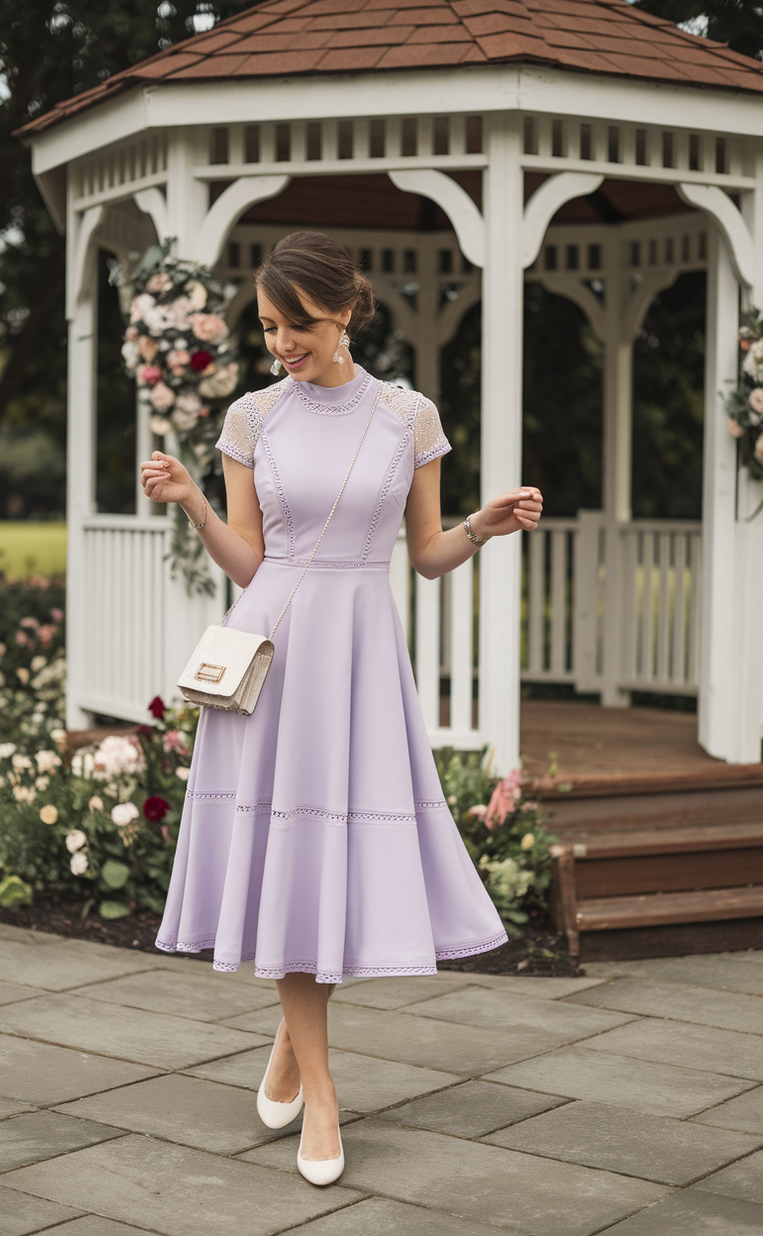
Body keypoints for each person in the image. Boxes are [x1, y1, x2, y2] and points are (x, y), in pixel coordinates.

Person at [140, 231, 543, 1187]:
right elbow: (252, 564)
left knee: (337, 864)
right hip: (272, 659)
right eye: (270, 326)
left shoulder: (408, 416)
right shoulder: (250, 420)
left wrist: (481, 526)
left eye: (301, 325)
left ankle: (290, 1051)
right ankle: (324, 1099)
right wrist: (196, 502)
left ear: (348, 311)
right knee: (293, 864)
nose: (282, 343)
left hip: (360, 661)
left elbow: (429, 554)